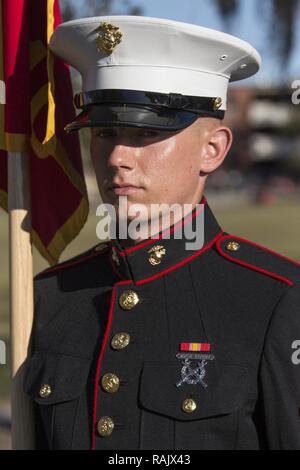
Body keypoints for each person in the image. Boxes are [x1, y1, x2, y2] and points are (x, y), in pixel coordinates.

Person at [24, 15, 300, 450]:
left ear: (213, 149)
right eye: (106, 132)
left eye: (146, 134)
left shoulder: (278, 297)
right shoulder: (53, 294)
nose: (116, 156)